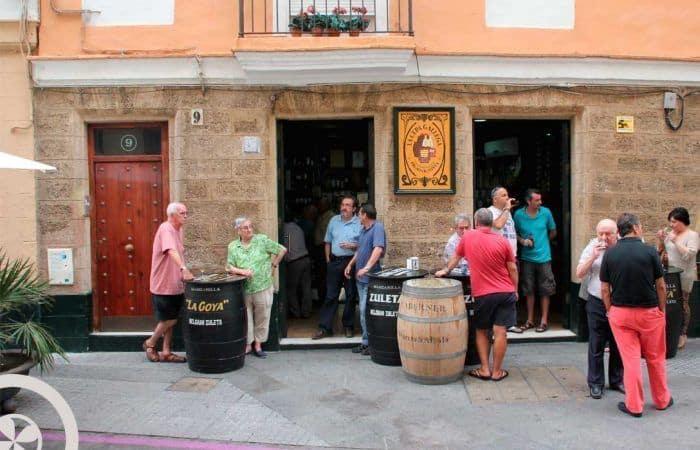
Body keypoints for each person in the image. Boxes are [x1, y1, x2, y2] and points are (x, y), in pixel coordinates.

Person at [600, 213, 672, 418]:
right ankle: (661, 400)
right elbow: (660, 285)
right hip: (649, 312)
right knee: (656, 358)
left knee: (630, 360)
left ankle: (634, 405)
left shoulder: (610, 254)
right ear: (636, 228)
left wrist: (609, 310)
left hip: (621, 314)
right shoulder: (649, 252)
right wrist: (662, 310)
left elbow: (605, 289)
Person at [436, 208, 518, 382]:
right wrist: (515, 289)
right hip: (505, 291)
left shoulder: (468, 237)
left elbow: (456, 258)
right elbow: (512, 268)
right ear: (491, 223)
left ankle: (485, 369)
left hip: (484, 293)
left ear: (476, 222)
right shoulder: (503, 241)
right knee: (501, 331)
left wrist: (445, 270)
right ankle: (497, 372)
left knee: (482, 330)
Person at [576, 219, 624, 399]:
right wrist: (593, 257)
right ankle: (595, 383)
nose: (604, 237)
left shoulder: (623, 247)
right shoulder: (592, 247)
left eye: (608, 234)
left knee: (618, 343)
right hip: (596, 300)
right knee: (596, 342)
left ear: (616, 233)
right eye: (600, 234)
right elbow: (579, 273)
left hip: (619, 301)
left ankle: (617, 379)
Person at [226, 217, 287, 358]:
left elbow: (282, 250)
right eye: (245, 228)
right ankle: (248, 344)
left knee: (263, 316)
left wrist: (274, 265)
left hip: (263, 285)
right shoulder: (233, 246)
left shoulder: (261, 240)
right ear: (238, 231)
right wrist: (243, 272)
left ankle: (258, 344)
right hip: (244, 288)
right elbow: (229, 267)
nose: (249, 230)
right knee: (246, 317)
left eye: (250, 226)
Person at [143, 202, 193, 363]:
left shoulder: (178, 231)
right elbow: (171, 251)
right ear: (172, 215)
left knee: (169, 320)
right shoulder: (166, 229)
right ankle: (150, 343)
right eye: (182, 213)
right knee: (169, 319)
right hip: (163, 285)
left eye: (186, 213)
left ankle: (166, 352)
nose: (185, 216)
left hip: (175, 286)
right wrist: (183, 268)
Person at [312, 196, 362, 339]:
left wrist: (352, 245)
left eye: (347, 205)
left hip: (351, 262)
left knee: (351, 295)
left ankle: (348, 326)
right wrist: (328, 260)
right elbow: (327, 241)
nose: (344, 207)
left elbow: (364, 244)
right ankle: (325, 328)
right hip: (334, 262)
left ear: (353, 209)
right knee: (330, 296)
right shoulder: (333, 220)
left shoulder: (359, 223)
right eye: (342, 204)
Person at [512, 189, 557, 333]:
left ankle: (543, 321)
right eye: (537, 200)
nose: (540, 203)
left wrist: (544, 242)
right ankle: (530, 320)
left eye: (540, 200)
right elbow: (514, 234)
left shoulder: (546, 212)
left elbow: (553, 231)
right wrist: (523, 241)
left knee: (546, 290)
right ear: (528, 201)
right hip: (526, 258)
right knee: (528, 290)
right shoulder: (518, 215)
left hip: (544, 257)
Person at [344, 204, 386, 355]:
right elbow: (359, 250)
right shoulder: (363, 230)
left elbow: (378, 249)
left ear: (365, 215)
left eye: (359, 214)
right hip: (360, 279)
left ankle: (369, 343)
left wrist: (367, 268)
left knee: (364, 311)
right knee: (363, 311)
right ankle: (366, 341)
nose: (358, 217)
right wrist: (350, 265)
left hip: (370, 278)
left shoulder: (377, 228)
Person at [656, 207, 699, 350]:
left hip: (684, 275)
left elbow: (689, 255)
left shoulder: (692, 235)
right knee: (669, 303)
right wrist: (661, 239)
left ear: (683, 221)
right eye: (670, 222)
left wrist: (676, 242)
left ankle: (682, 333)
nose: (671, 225)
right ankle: (670, 330)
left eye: (674, 222)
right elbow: (660, 250)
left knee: (683, 302)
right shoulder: (671, 234)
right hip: (669, 275)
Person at [283, 215, 312, 319]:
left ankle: (296, 313)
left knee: (291, 289)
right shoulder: (298, 227)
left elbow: (285, 247)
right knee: (306, 287)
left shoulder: (284, 230)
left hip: (294, 262)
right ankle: (306, 312)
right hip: (305, 259)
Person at [488, 186, 518, 257]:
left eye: (507, 195)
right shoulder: (489, 211)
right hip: (499, 256)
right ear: (495, 199)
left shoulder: (507, 212)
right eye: (504, 195)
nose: (507, 198)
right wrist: (507, 208)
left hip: (512, 255)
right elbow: (499, 225)